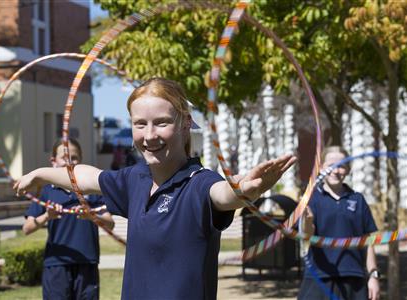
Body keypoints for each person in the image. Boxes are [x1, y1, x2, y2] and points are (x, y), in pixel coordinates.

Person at [15, 78, 296, 300]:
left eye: (161, 122)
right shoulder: (133, 179)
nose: (149, 136)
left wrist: (246, 190)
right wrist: (40, 174)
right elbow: (87, 176)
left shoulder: (199, 181)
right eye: (140, 124)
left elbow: (223, 195)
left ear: (185, 123)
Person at [22, 138, 115, 300]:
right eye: (64, 157)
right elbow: (27, 228)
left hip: (87, 260)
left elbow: (110, 224)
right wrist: (47, 216)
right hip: (57, 262)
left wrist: (91, 215)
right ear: (53, 161)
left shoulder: (91, 190)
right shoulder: (47, 192)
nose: (69, 162)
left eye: (75, 157)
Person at [298, 146, 380, 300]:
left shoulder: (358, 199)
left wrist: (373, 275)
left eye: (341, 166)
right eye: (331, 166)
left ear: (348, 169)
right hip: (319, 276)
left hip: (353, 277)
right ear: (322, 168)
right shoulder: (312, 199)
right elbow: (307, 236)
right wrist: (307, 221)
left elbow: (368, 241)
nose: (336, 171)